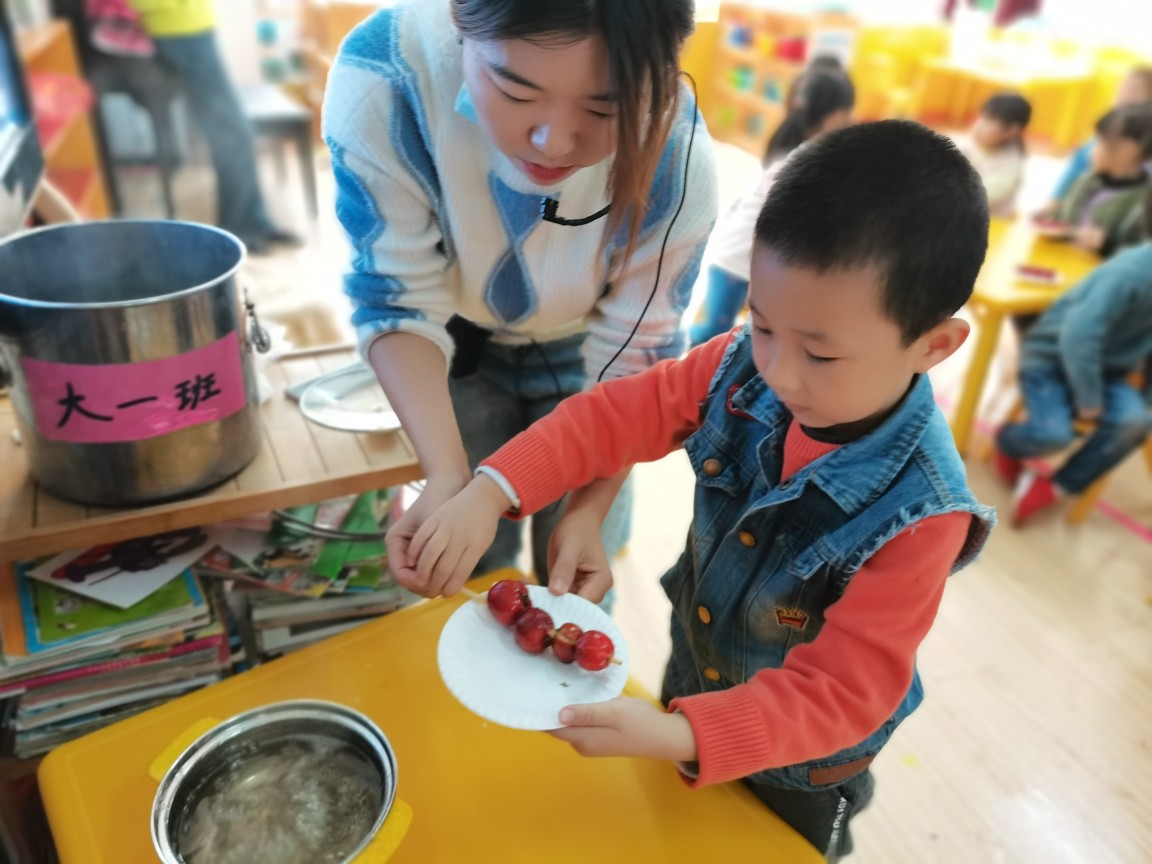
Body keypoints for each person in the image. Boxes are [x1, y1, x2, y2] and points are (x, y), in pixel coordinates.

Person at [404, 121, 996, 859]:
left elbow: (844, 694)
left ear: (934, 345)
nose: (777, 370)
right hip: (694, 680)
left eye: (819, 353)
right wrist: (490, 489)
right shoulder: (737, 364)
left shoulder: (922, 514)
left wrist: (684, 734)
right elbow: (612, 418)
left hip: (801, 768)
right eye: (764, 325)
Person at [322, 0, 717, 588]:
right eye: (514, 90)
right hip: (452, 346)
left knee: (574, 577)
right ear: (459, 21)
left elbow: (637, 357)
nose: (553, 142)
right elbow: (394, 295)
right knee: (470, 568)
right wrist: (445, 475)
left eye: (605, 108)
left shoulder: (677, 157)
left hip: (592, 361)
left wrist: (587, 513)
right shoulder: (386, 78)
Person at [996, 188, 1152, 526]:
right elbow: (1078, 336)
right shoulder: (1131, 272)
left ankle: (1057, 486)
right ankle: (1007, 443)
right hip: (1051, 359)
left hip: (1108, 371)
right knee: (1054, 434)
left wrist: (1144, 401)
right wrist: (1089, 400)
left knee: (1135, 421)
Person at [688, 65, 853, 347]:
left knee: (739, 333)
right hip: (735, 261)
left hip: (752, 261)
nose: (849, 121)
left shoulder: (806, 153)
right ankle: (690, 361)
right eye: (845, 113)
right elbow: (782, 219)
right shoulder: (801, 161)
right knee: (711, 334)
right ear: (829, 114)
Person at [124, 0, 300, 253]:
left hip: (191, 26)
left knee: (231, 134)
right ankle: (243, 227)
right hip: (178, 27)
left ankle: (253, 223)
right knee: (234, 134)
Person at [1039, 67, 1152, 215]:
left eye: (1133, 90)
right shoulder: (1103, 135)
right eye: (1121, 89)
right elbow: (1074, 169)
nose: (1123, 95)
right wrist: (1054, 201)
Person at [1050, 102, 1152, 256]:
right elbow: (1063, 218)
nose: (1090, 150)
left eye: (1099, 142)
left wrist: (1107, 245)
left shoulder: (1143, 202)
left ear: (1128, 150)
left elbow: (1141, 254)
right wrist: (1050, 218)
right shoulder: (1085, 181)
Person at [959, 92, 1031, 217]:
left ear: (1012, 130)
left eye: (989, 121)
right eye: (981, 117)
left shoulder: (1011, 166)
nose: (979, 125)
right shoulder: (968, 146)